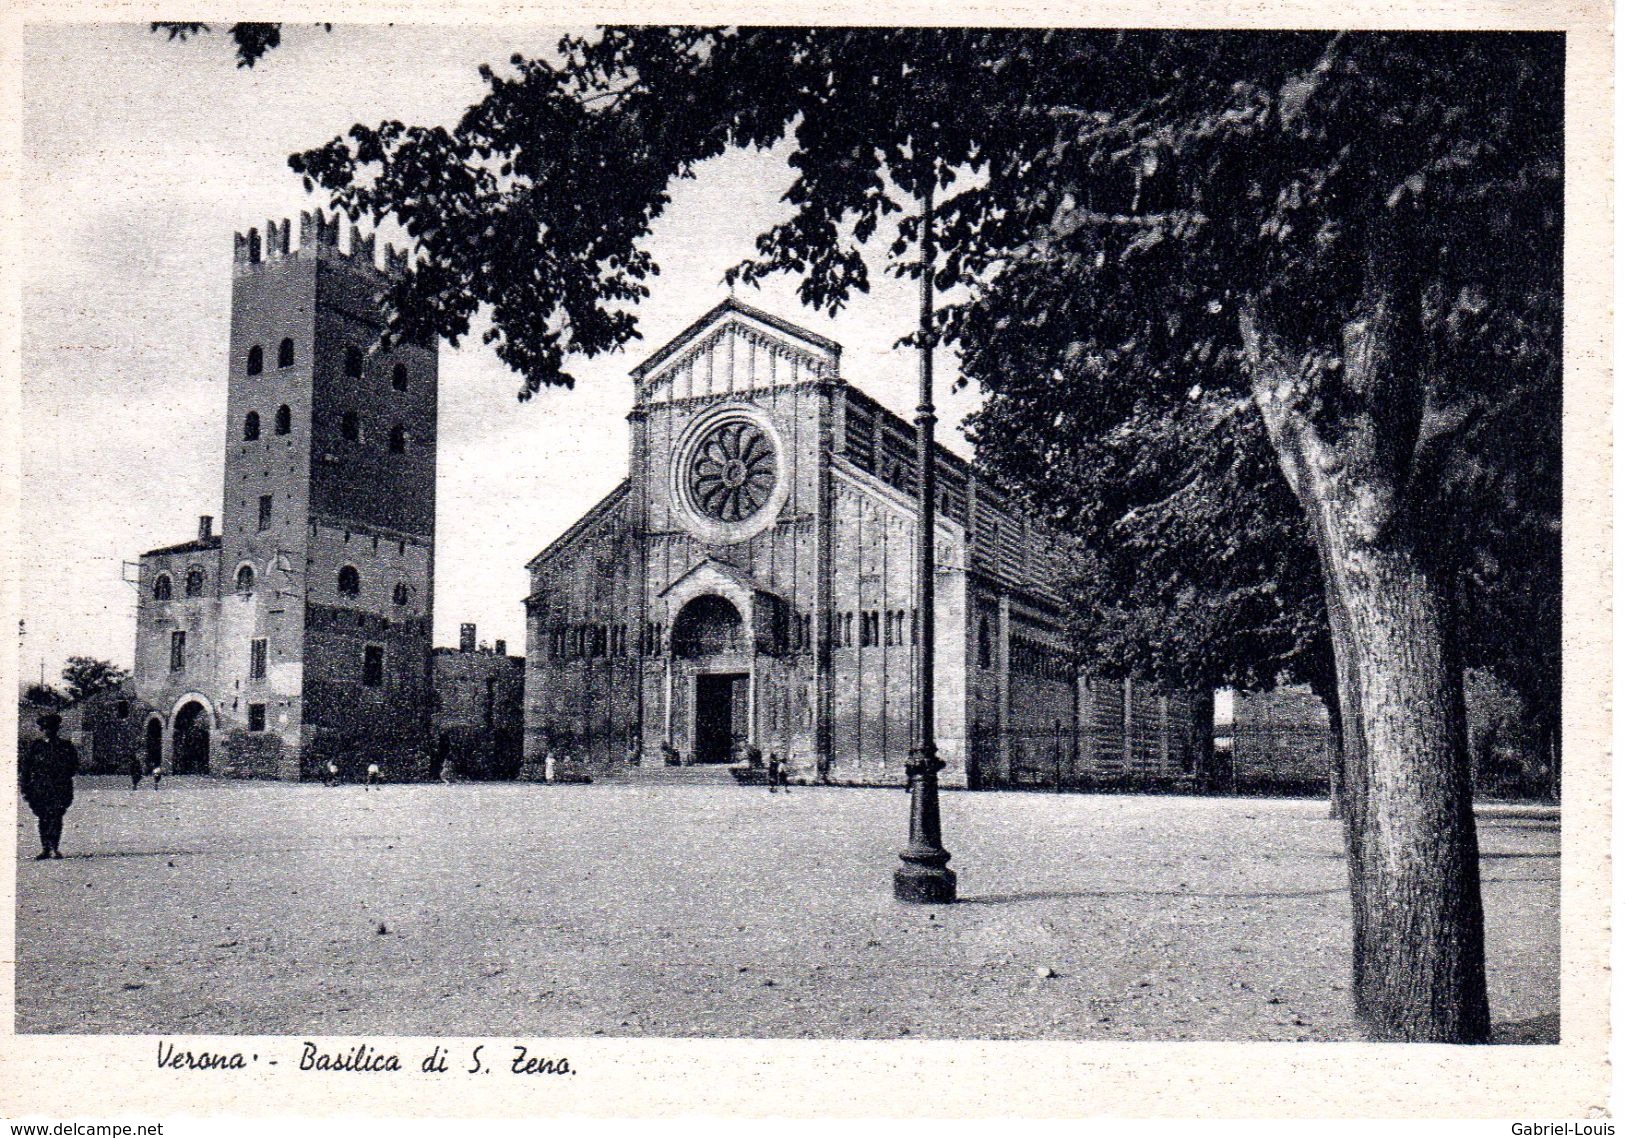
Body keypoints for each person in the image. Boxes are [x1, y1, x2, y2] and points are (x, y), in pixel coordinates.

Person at [22, 713, 79, 860]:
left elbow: (73, 766)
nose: (48, 731)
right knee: (43, 818)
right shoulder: (36, 746)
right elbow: (26, 768)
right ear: (42, 729)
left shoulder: (66, 746)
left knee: (56, 817)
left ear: (57, 729)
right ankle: (45, 848)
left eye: (52, 728)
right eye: (45, 728)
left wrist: (61, 775)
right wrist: (25, 787)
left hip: (59, 787)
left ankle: (54, 847)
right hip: (40, 788)